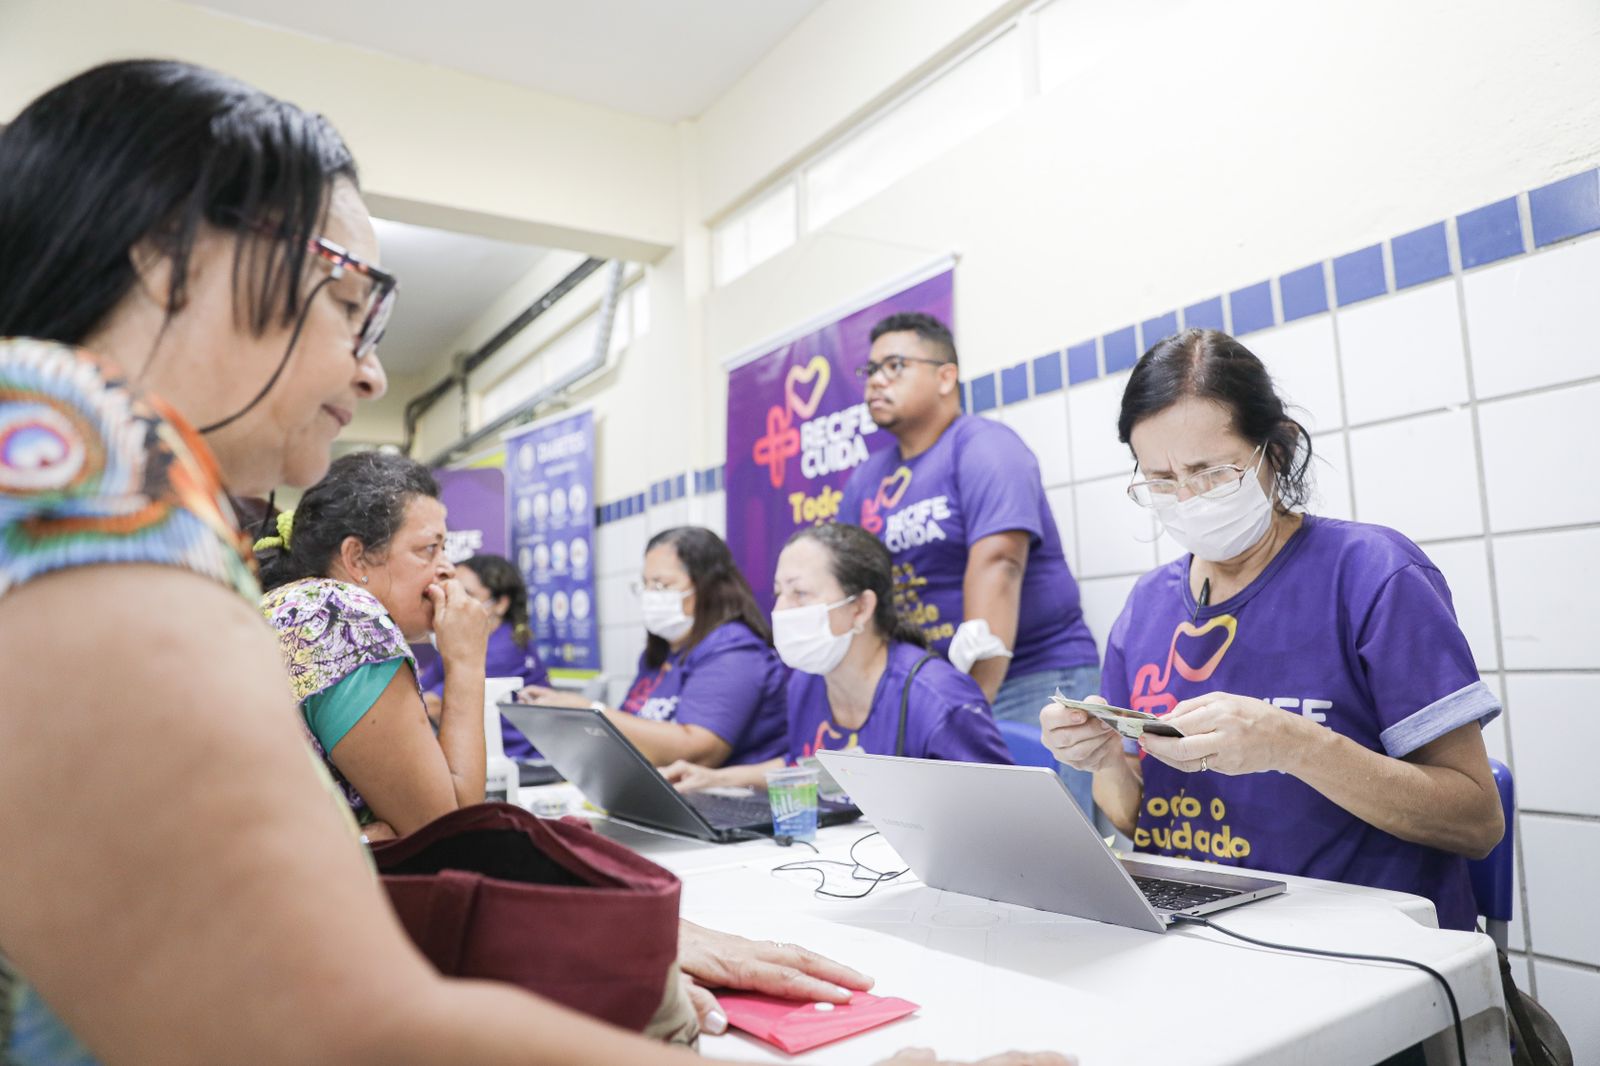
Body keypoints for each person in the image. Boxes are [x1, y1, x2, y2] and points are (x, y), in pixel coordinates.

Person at [0, 59, 1077, 1066]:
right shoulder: (63, 448)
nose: (370, 371)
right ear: (169, 253)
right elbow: (324, 1019)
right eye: (347, 299)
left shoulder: (79, 471)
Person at [1040, 328, 1504, 931]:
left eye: (1211, 473)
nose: (1186, 497)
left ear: (1274, 453)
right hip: (1206, 940)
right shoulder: (1147, 607)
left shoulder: (1371, 576)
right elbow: (1142, 821)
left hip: (1364, 948)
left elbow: (1475, 822)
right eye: (1160, 480)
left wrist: (1296, 745)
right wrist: (1102, 760)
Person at [840, 312, 1100, 814]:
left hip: (1033, 679)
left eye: (894, 365)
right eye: (870, 370)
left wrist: (967, 704)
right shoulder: (865, 480)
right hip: (944, 688)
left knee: (1050, 855)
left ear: (945, 376)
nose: (875, 380)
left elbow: (1000, 564)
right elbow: (854, 587)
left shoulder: (985, 446)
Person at [667, 523, 1013, 792]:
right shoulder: (807, 681)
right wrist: (716, 779)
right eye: (778, 593)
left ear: (861, 607)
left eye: (799, 593)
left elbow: (1006, 811)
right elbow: (809, 769)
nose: (781, 610)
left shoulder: (940, 700)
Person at [257, 452, 494, 839]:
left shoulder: (295, 604)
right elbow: (450, 834)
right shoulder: (341, 616)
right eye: (428, 549)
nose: (447, 568)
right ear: (356, 558)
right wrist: (466, 663)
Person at [519, 526, 788, 768]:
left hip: (731, 807)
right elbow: (630, 734)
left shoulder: (733, 651)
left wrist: (589, 710)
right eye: (646, 584)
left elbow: (699, 751)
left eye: (662, 584)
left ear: (708, 586)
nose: (650, 595)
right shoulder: (661, 653)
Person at [414, 553, 548, 758]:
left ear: (501, 604)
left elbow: (430, 706)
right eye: (450, 591)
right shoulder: (466, 642)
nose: (455, 602)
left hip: (522, 765)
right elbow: (419, 691)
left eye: (467, 594)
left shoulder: (503, 650)